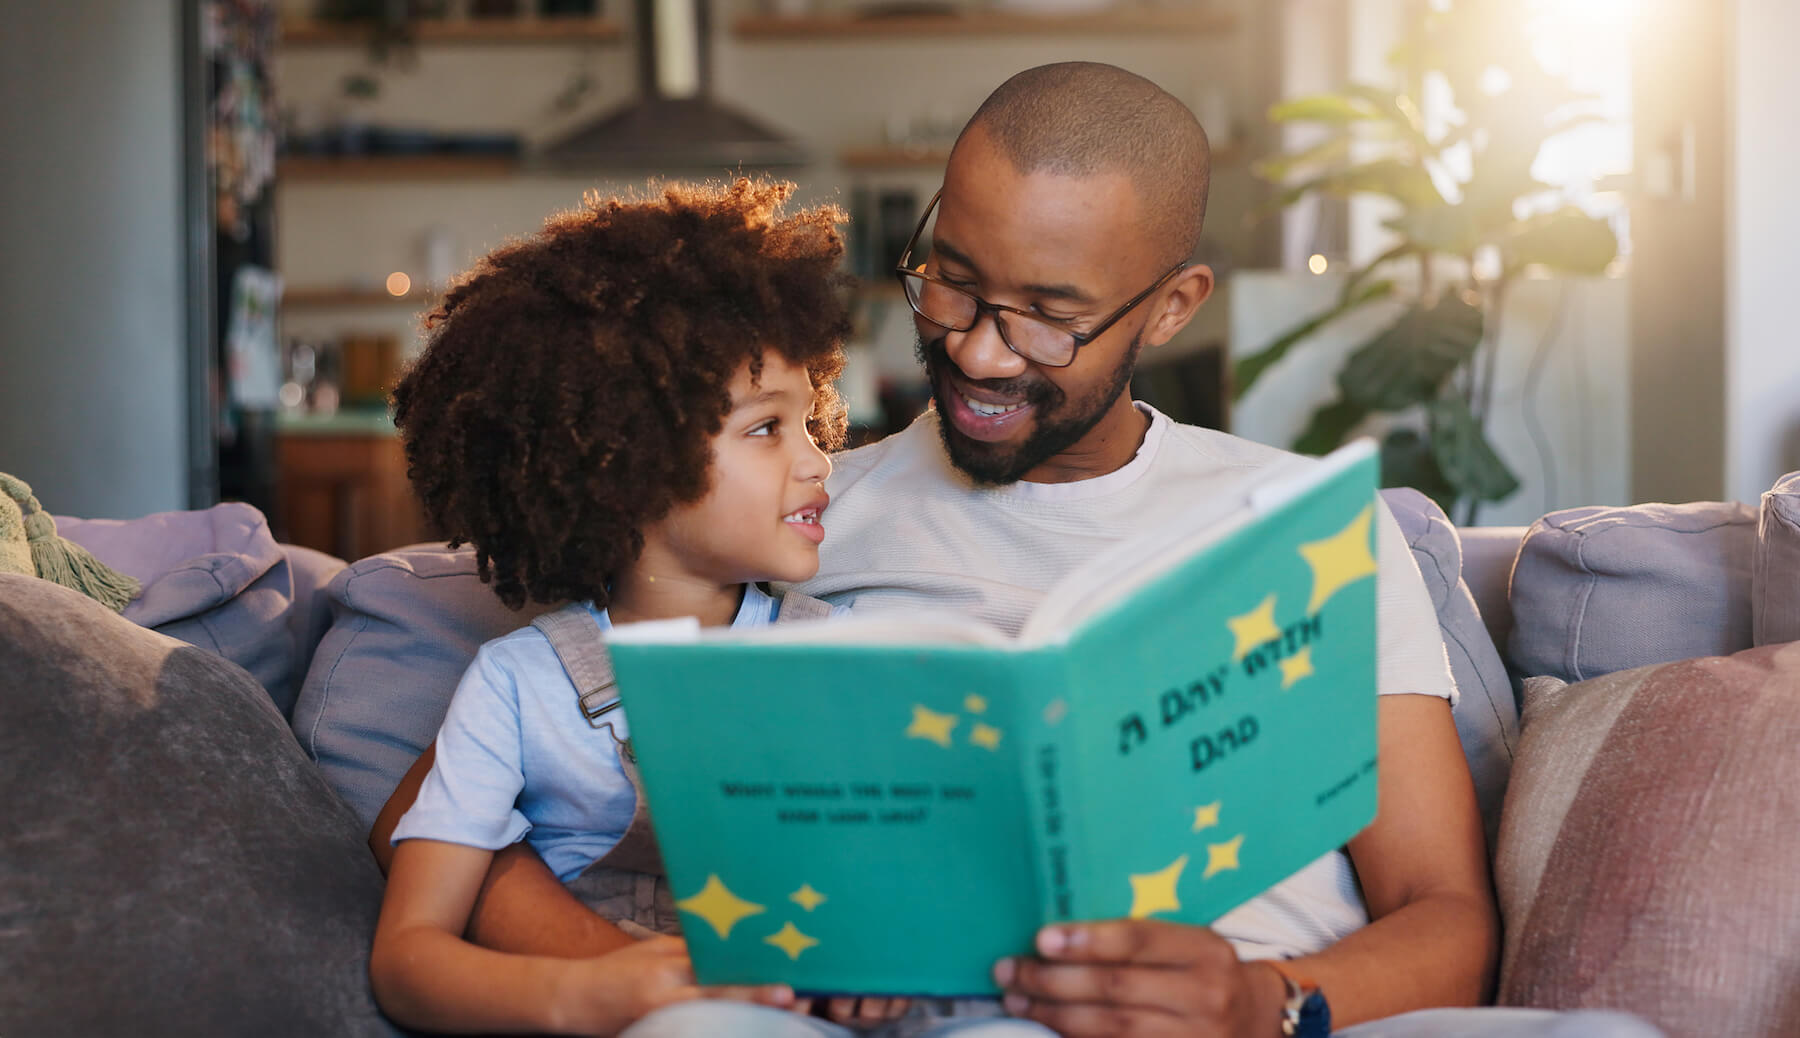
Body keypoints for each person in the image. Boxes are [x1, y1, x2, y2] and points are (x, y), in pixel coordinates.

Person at [371, 68, 1662, 1038]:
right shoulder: (781, 517)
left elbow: (1445, 918)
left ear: (1171, 305)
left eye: (1048, 319)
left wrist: (1255, 1000)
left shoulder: (1311, 537)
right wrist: (640, 970)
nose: (982, 351)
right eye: (953, 282)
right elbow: (443, 815)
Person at [368, 178, 950, 1036]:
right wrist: (584, 996)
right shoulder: (519, 686)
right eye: (765, 429)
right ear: (627, 463)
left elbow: (906, 885)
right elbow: (408, 959)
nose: (820, 462)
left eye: (811, 420)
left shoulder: (848, 657)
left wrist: (887, 954)